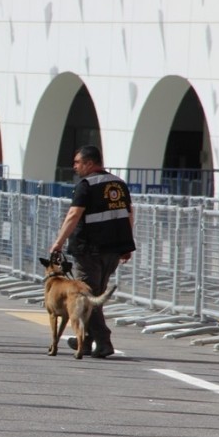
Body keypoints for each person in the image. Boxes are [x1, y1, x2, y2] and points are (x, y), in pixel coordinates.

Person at [48, 145, 135, 358]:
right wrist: (126, 244)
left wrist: (58, 243)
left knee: (87, 295)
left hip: (89, 249)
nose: (75, 166)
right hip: (113, 250)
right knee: (95, 293)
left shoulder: (86, 185)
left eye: (78, 162)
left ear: (89, 163)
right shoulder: (119, 183)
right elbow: (129, 214)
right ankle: (85, 342)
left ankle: (103, 342)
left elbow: (74, 215)